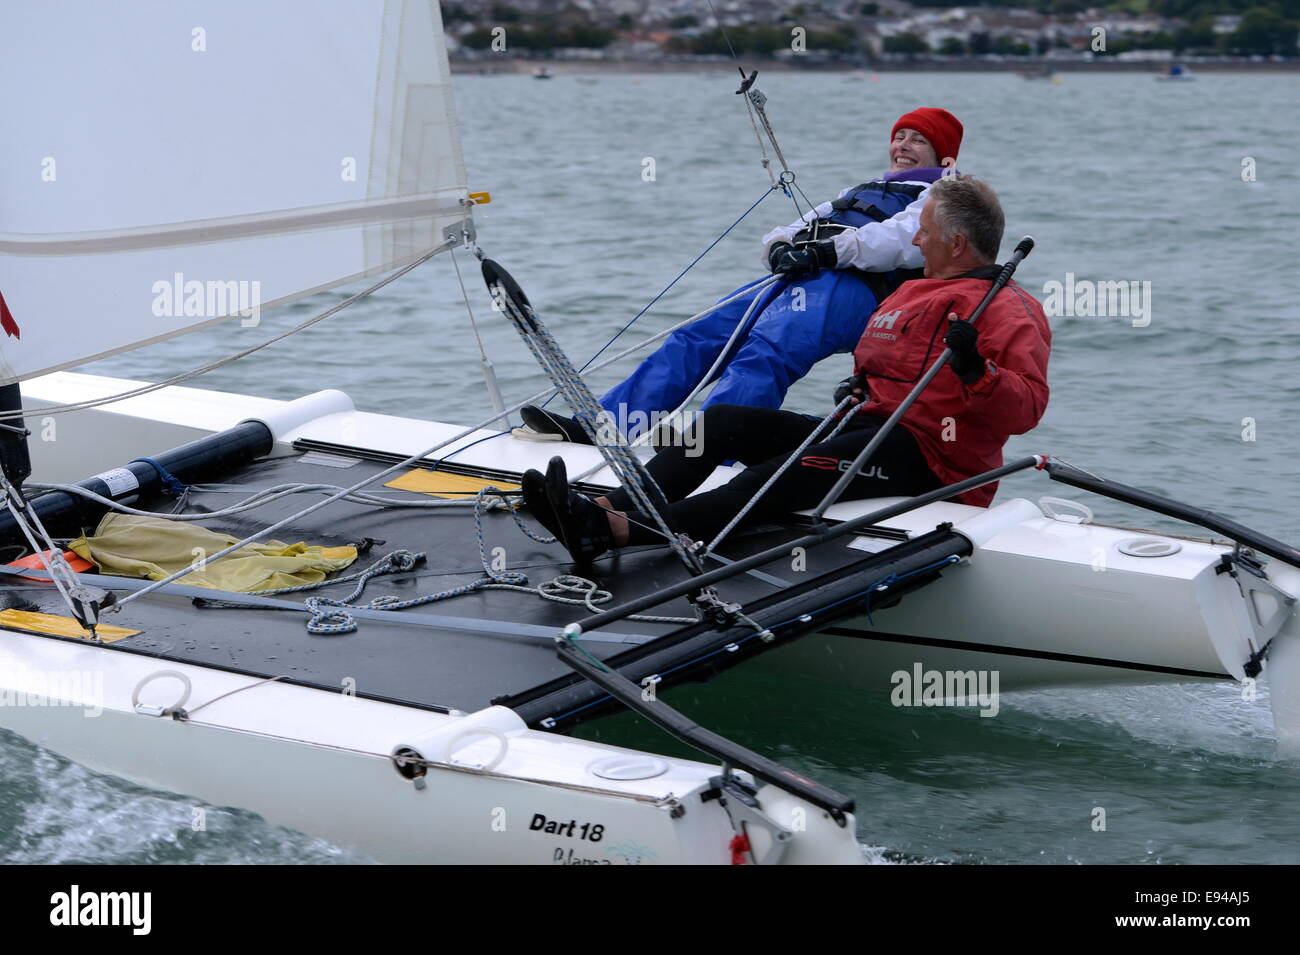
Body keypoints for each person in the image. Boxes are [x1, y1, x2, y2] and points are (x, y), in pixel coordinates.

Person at [522, 175, 1051, 565]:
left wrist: (977, 369)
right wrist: (860, 384)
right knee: (721, 421)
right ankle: (612, 501)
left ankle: (611, 531)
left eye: (925, 231)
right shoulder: (913, 290)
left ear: (957, 244)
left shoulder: (1006, 309)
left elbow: (1025, 407)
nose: (915, 241)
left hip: (934, 459)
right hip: (872, 429)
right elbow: (883, 368)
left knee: (772, 476)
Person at [519, 107, 965, 445]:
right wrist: (780, 248)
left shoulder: (943, 194)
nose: (903, 145)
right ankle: (605, 428)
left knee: (765, 353)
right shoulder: (863, 188)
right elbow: (792, 227)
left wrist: (826, 250)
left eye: (918, 141)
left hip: (852, 291)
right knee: (696, 337)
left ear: (943, 156)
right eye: (899, 136)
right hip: (801, 276)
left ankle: (709, 455)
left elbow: (901, 241)